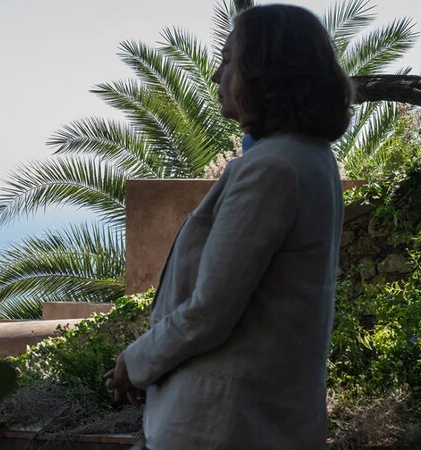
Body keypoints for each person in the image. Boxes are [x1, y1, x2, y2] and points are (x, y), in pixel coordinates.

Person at [105, 4, 353, 449]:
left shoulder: (271, 169)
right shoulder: (311, 160)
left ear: (265, 72)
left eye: (227, 61)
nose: (217, 77)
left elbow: (209, 312)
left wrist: (134, 361)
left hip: (223, 426)